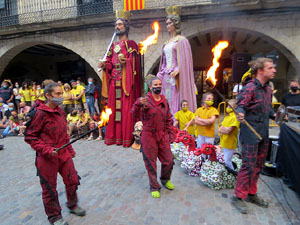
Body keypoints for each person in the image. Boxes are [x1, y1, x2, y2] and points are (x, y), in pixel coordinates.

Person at [24, 82, 85, 225]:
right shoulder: (39, 113)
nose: (61, 96)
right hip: (47, 157)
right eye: (58, 94)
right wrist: (47, 150)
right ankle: (54, 217)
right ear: (48, 95)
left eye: (61, 93)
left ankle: (72, 205)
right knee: (49, 189)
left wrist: (70, 150)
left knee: (73, 180)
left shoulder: (61, 111)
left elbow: (64, 133)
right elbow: (30, 137)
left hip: (63, 153)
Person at [231, 58, 276, 214]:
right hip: (250, 133)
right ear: (260, 71)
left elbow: (268, 109)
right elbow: (241, 105)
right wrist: (241, 114)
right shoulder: (249, 88)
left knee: (258, 165)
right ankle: (238, 196)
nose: (274, 70)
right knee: (248, 165)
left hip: (263, 132)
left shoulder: (268, 90)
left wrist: (276, 115)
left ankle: (251, 193)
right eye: (270, 68)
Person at [98, 11, 141, 147]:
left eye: (120, 24)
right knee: (113, 110)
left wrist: (126, 61)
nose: (117, 26)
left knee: (125, 110)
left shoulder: (131, 44)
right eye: (116, 24)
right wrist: (105, 65)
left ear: (126, 27)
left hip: (125, 82)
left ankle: (126, 137)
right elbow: (110, 62)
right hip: (114, 83)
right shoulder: (112, 46)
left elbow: (135, 63)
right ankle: (115, 137)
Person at [131, 77, 175, 198]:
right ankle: (154, 186)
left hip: (162, 134)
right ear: (150, 86)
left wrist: (171, 134)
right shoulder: (144, 100)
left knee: (169, 160)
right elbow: (134, 115)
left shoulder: (164, 100)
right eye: (155, 84)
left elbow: (169, 118)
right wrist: (137, 104)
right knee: (150, 162)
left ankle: (165, 179)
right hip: (149, 135)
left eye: (160, 84)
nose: (158, 86)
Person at [156, 7, 197, 116]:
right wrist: (159, 75)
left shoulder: (182, 41)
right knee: (166, 99)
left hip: (176, 77)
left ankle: (176, 123)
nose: (168, 26)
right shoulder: (166, 43)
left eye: (170, 23)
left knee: (175, 99)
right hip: (166, 76)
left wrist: (178, 70)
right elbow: (164, 63)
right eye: (167, 23)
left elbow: (185, 61)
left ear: (175, 24)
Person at [218, 99, 240, 170]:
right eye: (228, 106)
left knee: (227, 161)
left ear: (235, 107)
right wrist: (224, 129)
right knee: (226, 160)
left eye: (230, 106)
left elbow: (228, 131)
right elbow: (219, 129)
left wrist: (224, 129)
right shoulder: (227, 117)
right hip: (224, 141)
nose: (228, 107)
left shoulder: (235, 117)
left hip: (230, 143)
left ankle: (233, 174)